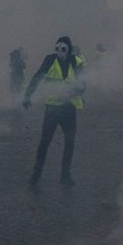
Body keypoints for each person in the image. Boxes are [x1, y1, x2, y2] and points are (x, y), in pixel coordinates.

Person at [23, 37, 86, 186]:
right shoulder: (50, 60)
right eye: (57, 49)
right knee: (45, 142)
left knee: (69, 143)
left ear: (69, 49)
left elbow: (83, 85)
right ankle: (36, 174)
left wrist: (69, 94)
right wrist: (27, 95)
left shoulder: (76, 62)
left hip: (69, 108)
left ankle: (65, 175)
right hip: (52, 108)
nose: (60, 52)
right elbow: (37, 76)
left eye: (63, 49)